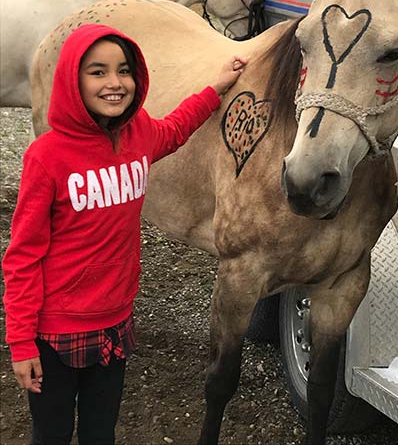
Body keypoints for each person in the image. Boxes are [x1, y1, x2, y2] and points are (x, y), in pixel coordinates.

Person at [2, 23, 248, 445]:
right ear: (71, 80)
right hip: (55, 333)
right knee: (52, 434)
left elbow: (175, 127)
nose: (115, 83)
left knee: (101, 432)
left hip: (114, 325)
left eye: (124, 70)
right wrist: (21, 342)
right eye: (97, 72)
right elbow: (22, 256)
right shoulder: (47, 157)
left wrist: (217, 88)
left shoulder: (138, 136)